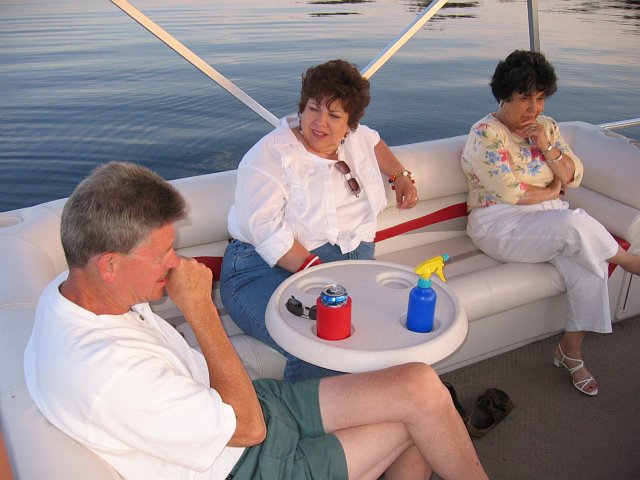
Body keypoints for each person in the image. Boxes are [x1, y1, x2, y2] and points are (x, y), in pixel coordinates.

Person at [23, 161, 487, 480]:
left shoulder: (75, 290)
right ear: (109, 264)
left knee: (421, 386)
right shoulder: (110, 373)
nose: (176, 262)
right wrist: (202, 310)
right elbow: (248, 430)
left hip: (236, 406)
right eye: (162, 253)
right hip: (242, 462)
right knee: (422, 422)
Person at [221, 59, 418, 382]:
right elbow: (263, 228)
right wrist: (322, 277)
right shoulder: (270, 154)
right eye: (313, 108)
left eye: (335, 115)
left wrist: (400, 176)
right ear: (302, 107)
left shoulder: (358, 138)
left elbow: (375, 142)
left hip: (343, 269)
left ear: (350, 123)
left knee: (386, 332)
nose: (320, 122)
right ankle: (302, 412)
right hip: (262, 269)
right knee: (321, 341)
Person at [460, 50, 640, 396]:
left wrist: (546, 147)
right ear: (504, 95)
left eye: (540, 98)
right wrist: (553, 189)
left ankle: (570, 353)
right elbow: (511, 193)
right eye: (525, 98)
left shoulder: (547, 128)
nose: (534, 108)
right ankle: (628, 261)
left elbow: (572, 175)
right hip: (498, 223)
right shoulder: (485, 134)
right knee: (574, 223)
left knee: (590, 264)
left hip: (546, 217)